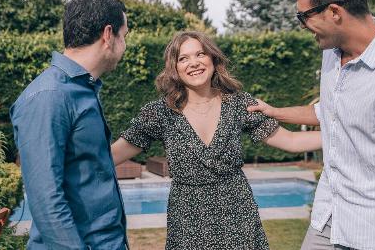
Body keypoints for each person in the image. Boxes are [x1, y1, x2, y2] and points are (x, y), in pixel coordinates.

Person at [111, 31, 322, 249]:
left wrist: (345, 136)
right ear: (174, 68)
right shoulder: (160, 113)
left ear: (213, 58)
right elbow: (113, 155)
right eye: (183, 58)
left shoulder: (238, 104)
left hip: (239, 217)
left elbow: (291, 141)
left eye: (200, 54)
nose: (193, 63)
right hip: (188, 222)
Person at [248, 0, 375, 249]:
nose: (302, 26)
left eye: (304, 16)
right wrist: (274, 112)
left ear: (334, 12)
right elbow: (331, 111)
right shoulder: (332, 53)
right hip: (327, 219)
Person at [10, 0, 129, 250]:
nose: (124, 46)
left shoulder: (82, 89)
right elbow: (45, 199)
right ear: (108, 35)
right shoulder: (49, 96)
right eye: (124, 36)